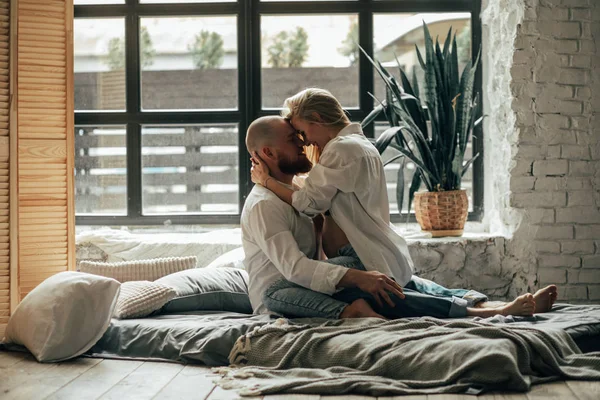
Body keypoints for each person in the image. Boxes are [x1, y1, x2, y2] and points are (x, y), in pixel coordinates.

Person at [243, 115, 558, 320]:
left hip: (314, 282)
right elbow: (295, 270)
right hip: (286, 298)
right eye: (293, 140)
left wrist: (357, 268)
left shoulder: (298, 193)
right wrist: (357, 277)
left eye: (301, 135)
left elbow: (318, 258)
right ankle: (490, 312)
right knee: (374, 285)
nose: (303, 143)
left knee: (389, 278)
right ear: (268, 153)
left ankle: (478, 302)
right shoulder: (264, 205)